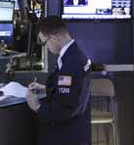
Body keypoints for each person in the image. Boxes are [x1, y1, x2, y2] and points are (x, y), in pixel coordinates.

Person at [25, 16, 92, 145]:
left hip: (65, 135)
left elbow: (65, 108)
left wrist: (37, 107)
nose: (46, 47)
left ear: (54, 37)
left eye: (45, 43)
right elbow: (74, 91)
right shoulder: (76, 54)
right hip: (76, 129)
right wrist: (46, 88)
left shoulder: (71, 63)